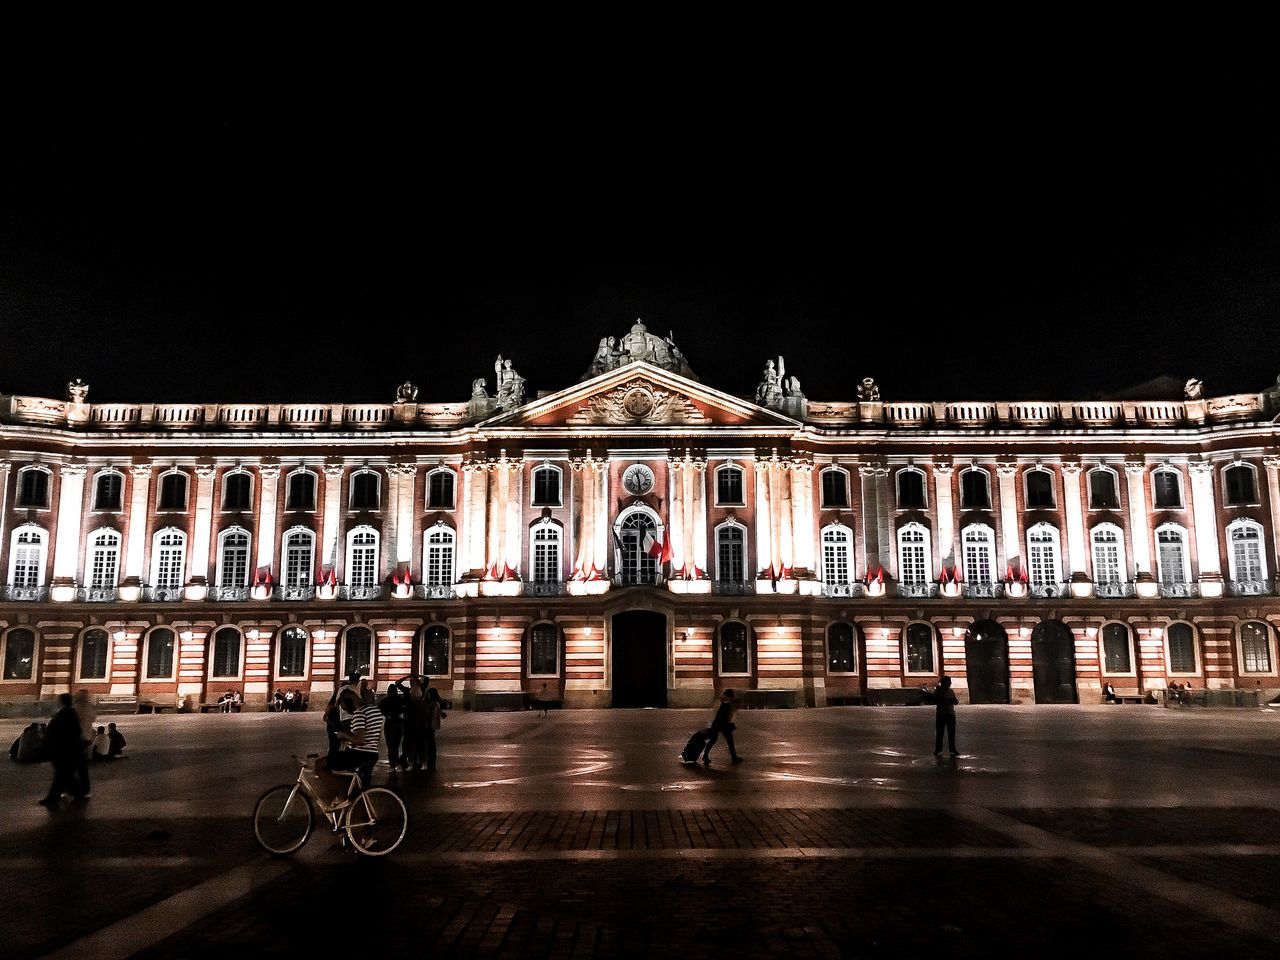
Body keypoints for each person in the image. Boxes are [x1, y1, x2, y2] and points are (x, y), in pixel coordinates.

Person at [328, 688, 384, 787]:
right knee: (362, 787)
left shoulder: (359, 713)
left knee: (324, 764)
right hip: (373, 754)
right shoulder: (375, 710)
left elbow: (359, 740)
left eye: (345, 708)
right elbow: (375, 736)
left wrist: (343, 735)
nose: (347, 712)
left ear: (350, 703)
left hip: (359, 754)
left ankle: (336, 796)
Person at [40, 693, 88, 807]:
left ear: (62, 702)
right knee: (65, 775)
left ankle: (53, 799)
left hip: (64, 750)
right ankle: (77, 793)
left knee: (61, 775)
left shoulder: (65, 714)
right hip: (69, 749)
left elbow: (59, 732)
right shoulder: (71, 713)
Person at [702, 689, 742, 765]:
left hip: (719, 724)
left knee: (715, 740)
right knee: (723, 740)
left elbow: (728, 714)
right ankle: (733, 757)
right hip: (721, 724)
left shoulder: (725, 702)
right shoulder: (725, 703)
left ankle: (705, 756)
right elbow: (727, 713)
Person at [927, 676, 960, 757]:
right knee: (940, 733)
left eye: (950, 682)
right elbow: (933, 701)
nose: (950, 684)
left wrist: (952, 701)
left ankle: (952, 749)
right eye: (948, 682)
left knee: (951, 733)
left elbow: (956, 701)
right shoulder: (938, 691)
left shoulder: (951, 691)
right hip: (941, 714)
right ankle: (938, 750)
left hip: (951, 714)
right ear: (943, 683)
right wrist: (943, 700)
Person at [403, 678, 431, 771]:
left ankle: (412, 763)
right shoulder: (424, 704)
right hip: (421, 727)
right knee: (421, 746)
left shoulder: (409, 704)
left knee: (413, 746)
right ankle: (423, 763)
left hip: (412, 727)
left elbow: (406, 716)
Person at [73, 689, 96, 797]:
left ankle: (72, 788)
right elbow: (93, 719)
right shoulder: (90, 708)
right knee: (82, 765)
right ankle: (85, 790)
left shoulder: (77, 708)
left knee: (72, 765)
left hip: (77, 738)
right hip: (87, 737)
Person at [380, 682, 407, 770]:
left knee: (390, 745)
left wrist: (387, 715)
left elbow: (380, 710)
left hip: (389, 723)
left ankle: (392, 765)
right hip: (399, 722)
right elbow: (405, 709)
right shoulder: (400, 700)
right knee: (396, 744)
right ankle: (395, 760)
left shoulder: (384, 701)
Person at [425, 687, 447, 772]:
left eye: (429, 694)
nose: (427, 695)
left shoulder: (433, 704)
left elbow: (432, 716)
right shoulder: (435, 704)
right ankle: (430, 762)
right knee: (431, 744)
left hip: (430, 726)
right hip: (432, 726)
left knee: (430, 744)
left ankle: (430, 763)